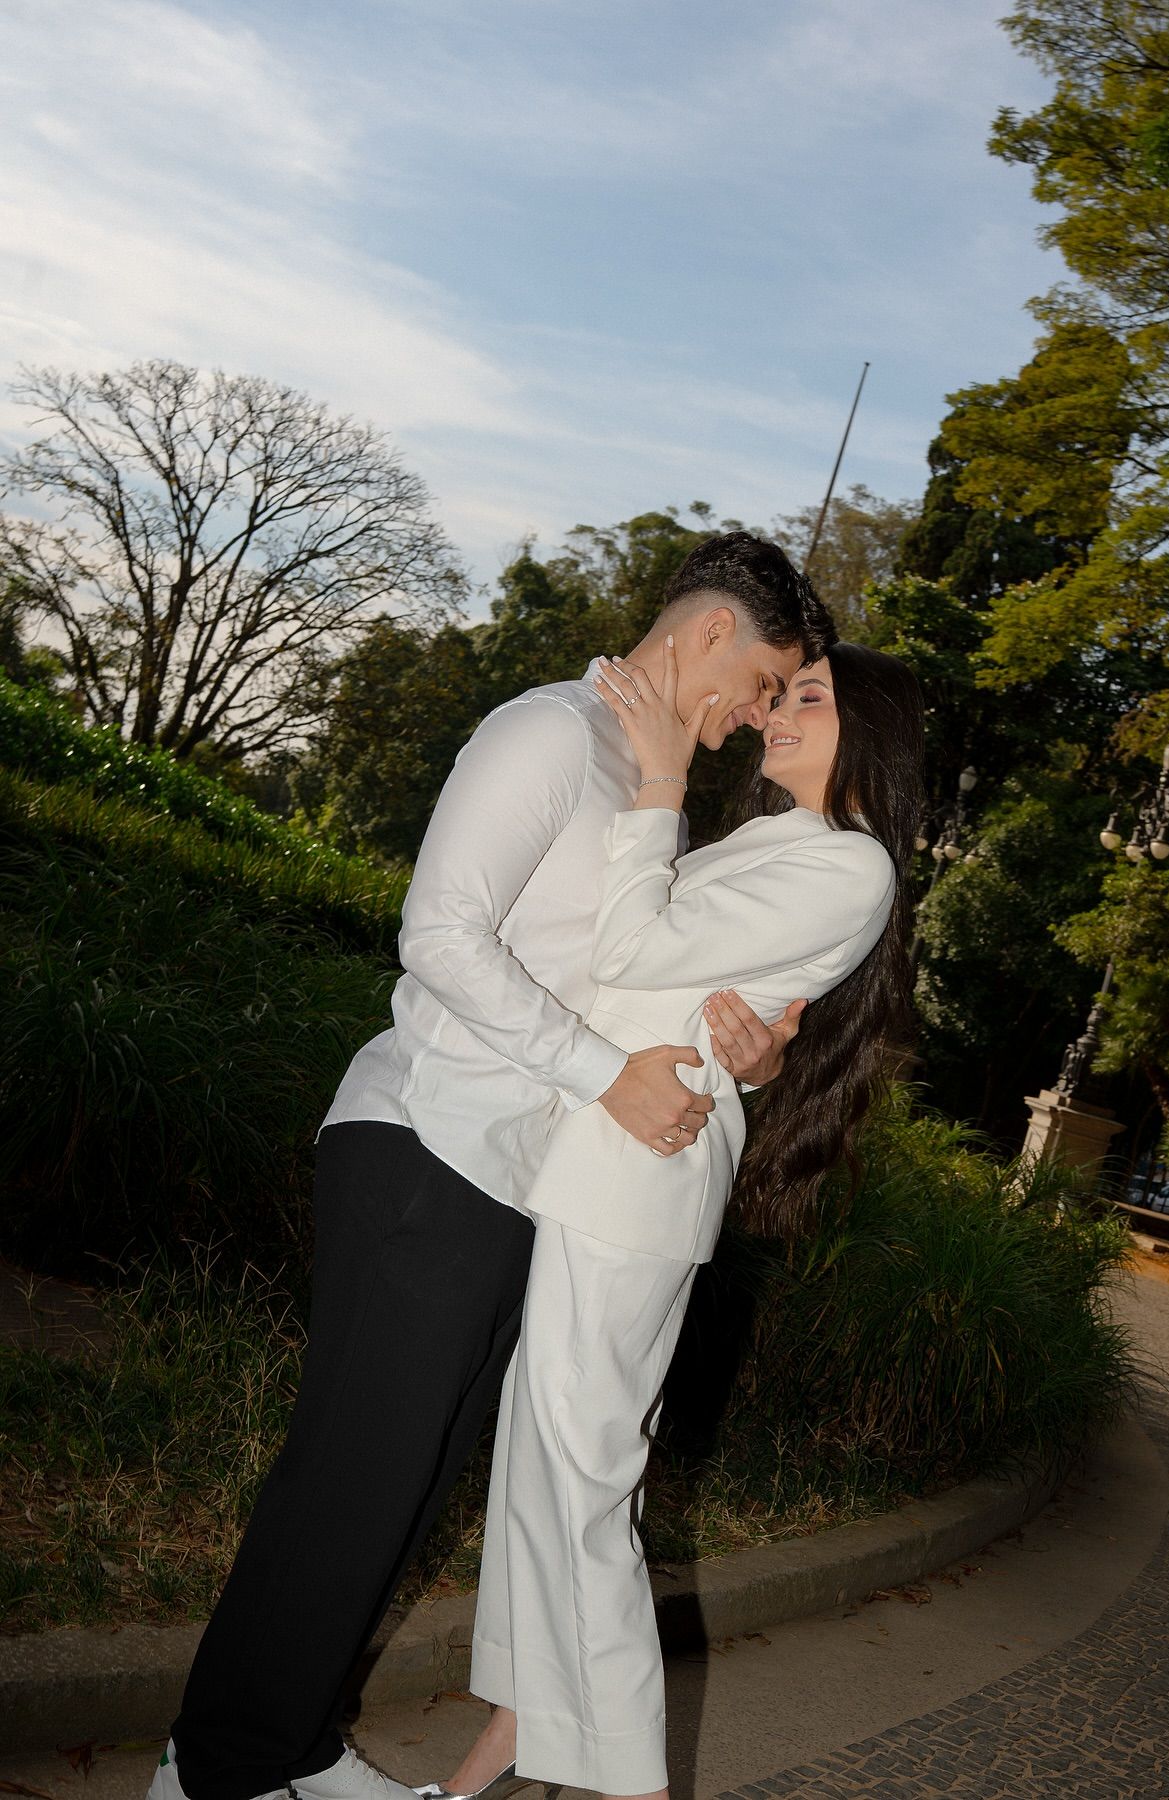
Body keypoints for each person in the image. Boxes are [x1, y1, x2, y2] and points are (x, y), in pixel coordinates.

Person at [148, 535, 834, 1800]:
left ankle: (283, 1748)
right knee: (354, 1474)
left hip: (523, 1180)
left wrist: (750, 1050)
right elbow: (439, 936)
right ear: (706, 636)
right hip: (425, 1140)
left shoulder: (653, 785)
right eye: (762, 681)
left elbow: (641, 979)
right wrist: (601, 1074)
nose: (755, 720)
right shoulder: (548, 734)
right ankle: (220, 1767)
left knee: (405, 1486)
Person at [430, 636, 926, 1800]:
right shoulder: (776, 844)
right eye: (783, 694)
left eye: (811, 698)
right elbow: (677, 991)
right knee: (544, 1470)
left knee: (587, 1479)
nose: (777, 716)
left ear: (877, 736)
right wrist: (747, 1061)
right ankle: (497, 1755)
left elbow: (634, 943)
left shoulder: (853, 867)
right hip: (603, 1160)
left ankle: (632, 1785)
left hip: (638, 1178)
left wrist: (659, 780)